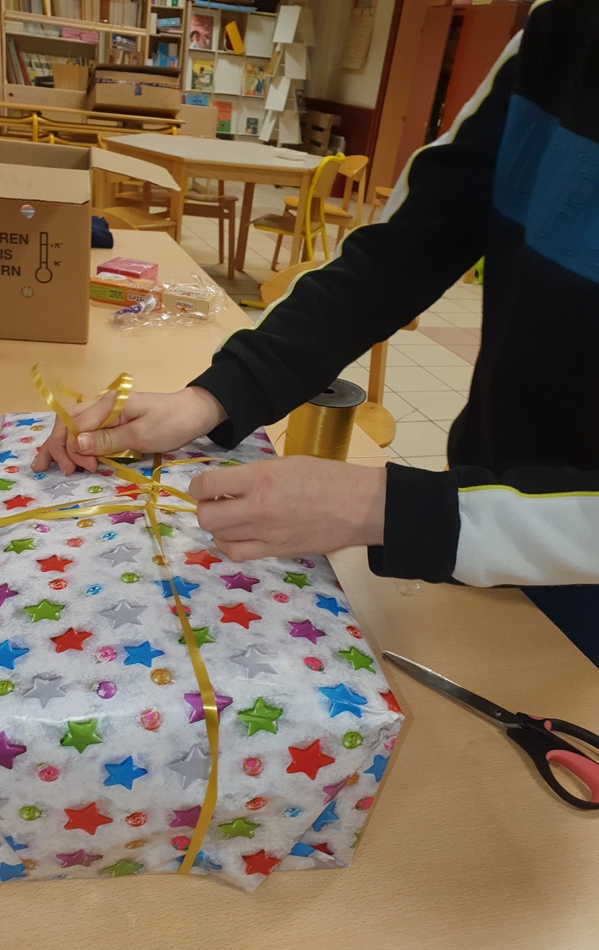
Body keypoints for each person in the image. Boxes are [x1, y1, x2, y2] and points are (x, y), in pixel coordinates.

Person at [34, 0, 599, 654]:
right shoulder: (560, 32)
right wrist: (212, 396)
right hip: (480, 515)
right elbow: (396, 258)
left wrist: (382, 508)